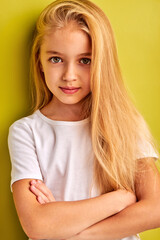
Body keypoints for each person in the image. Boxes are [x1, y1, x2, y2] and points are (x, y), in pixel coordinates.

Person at [8, 0, 160, 240]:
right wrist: (121, 199)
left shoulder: (125, 123)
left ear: (102, 63)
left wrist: (72, 232)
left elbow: (155, 209)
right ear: (40, 61)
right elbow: (37, 225)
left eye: (85, 61)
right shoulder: (26, 132)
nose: (69, 76)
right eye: (56, 59)